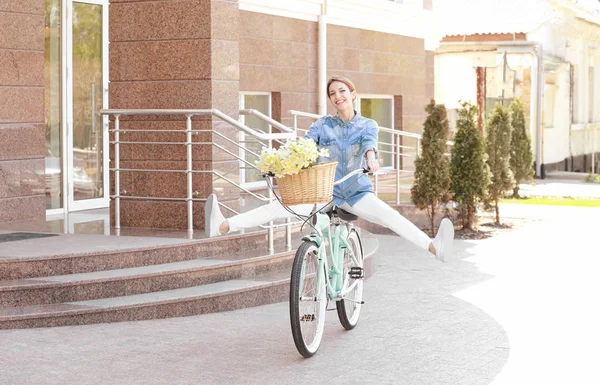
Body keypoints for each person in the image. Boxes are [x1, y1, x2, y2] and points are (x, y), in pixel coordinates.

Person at [205, 76, 454, 261]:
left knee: (390, 217)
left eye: (342, 90)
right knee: (278, 207)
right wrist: (281, 160)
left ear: (353, 94)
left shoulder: (368, 124)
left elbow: (370, 144)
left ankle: (434, 248)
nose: (337, 96)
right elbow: (305, 144)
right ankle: (223, 225)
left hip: (356, 191)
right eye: (333, 93)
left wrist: (371, 158)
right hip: (324, 192)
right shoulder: (323, 124)